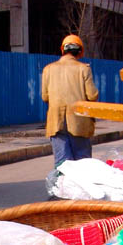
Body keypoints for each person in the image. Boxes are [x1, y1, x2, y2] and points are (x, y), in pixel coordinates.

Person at [41, 34, 99, 165]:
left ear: (63, 50)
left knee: (63, 166)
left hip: (56, 122)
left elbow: (45, 96)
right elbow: (92, 95)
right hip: (79, 122)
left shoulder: (48, 69)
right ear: (80, 52)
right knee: (83, 165)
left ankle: (63, 185)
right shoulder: (84, 69)